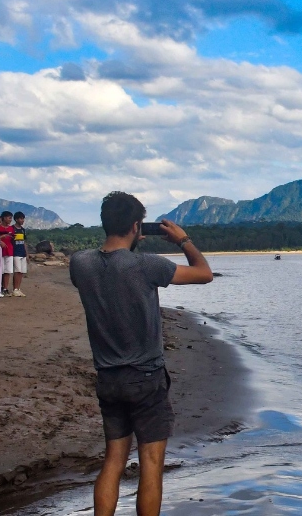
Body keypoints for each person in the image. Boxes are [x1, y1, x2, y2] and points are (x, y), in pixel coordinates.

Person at [69, 191, 213, 516]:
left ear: (105, 223)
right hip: (146, 378)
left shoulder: (80, 264)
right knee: (150, 465)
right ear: (137, 226)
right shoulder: (146, 266)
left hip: (108, 378)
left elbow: (105, 273)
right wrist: (183, 240)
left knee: (113, 461)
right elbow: (204, 273)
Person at [0, 211, 16, 296]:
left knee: (7, 270)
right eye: (9, 218)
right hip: (0, 251)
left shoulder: (11, 229)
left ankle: (5, 288)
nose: (10, 220)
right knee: (0, 270)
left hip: (9, 251)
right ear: (4, 218)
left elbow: (12, 239)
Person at [11, 212, 28, 297]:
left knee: (21, 272)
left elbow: (24, 242)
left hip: (22, 253)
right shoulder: (12, 229)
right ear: (16, 219)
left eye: (23, 219)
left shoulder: (23, 230)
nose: (22, 220)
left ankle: (18, 288)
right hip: (15, 253)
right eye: (21, 218)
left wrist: (27, 254)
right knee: (17, 271)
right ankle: (15, 289)